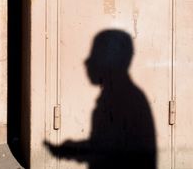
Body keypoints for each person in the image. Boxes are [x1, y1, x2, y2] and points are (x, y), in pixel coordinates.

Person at [44, 30, 156, 169]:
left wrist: (71, 150)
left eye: (94, 55)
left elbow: (110, 153)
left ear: (111, 60)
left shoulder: (122, 100)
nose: (87, 61)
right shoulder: (117, 96)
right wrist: (70, 149)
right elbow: (105, 146)